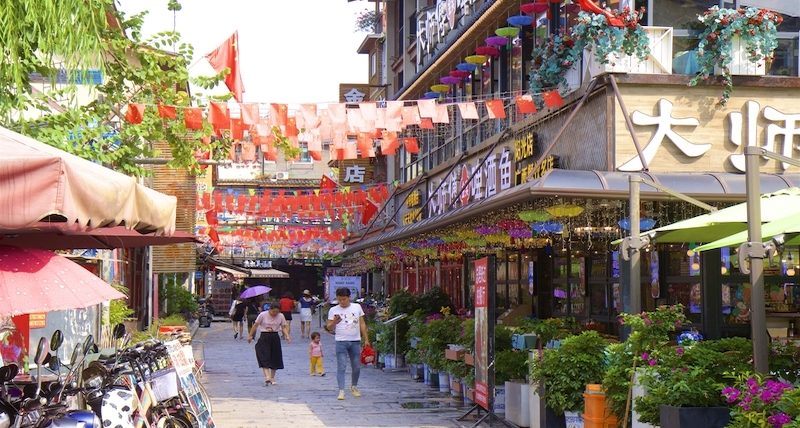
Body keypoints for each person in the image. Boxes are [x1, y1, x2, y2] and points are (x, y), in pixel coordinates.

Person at [326, 287, 370, 400]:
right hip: (341, 341)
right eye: (339, 300)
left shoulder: (357, 307)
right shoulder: (333, 310)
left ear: (349, 297)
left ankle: (354, 386)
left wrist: (366, 339)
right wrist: (335, 322)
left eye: (344, 299)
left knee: (356, 366)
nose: (342, 302)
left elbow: (362, 323)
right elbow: (329, 327)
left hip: (355, 340)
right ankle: (341, 390)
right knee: (342, 366)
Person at [248, 304, 291, 386]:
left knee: (275, 357)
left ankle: (272, 377)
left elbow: (283, 327)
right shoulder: (262, 315)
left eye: (277, 312)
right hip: (264, 336)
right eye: (273, 311)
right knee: (264, 356)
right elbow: (255, 325)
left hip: (275, 336)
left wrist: (287, 335)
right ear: (270, 309)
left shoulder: (281, 316)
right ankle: (267, 377)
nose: (275, 313)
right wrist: (250, 335)